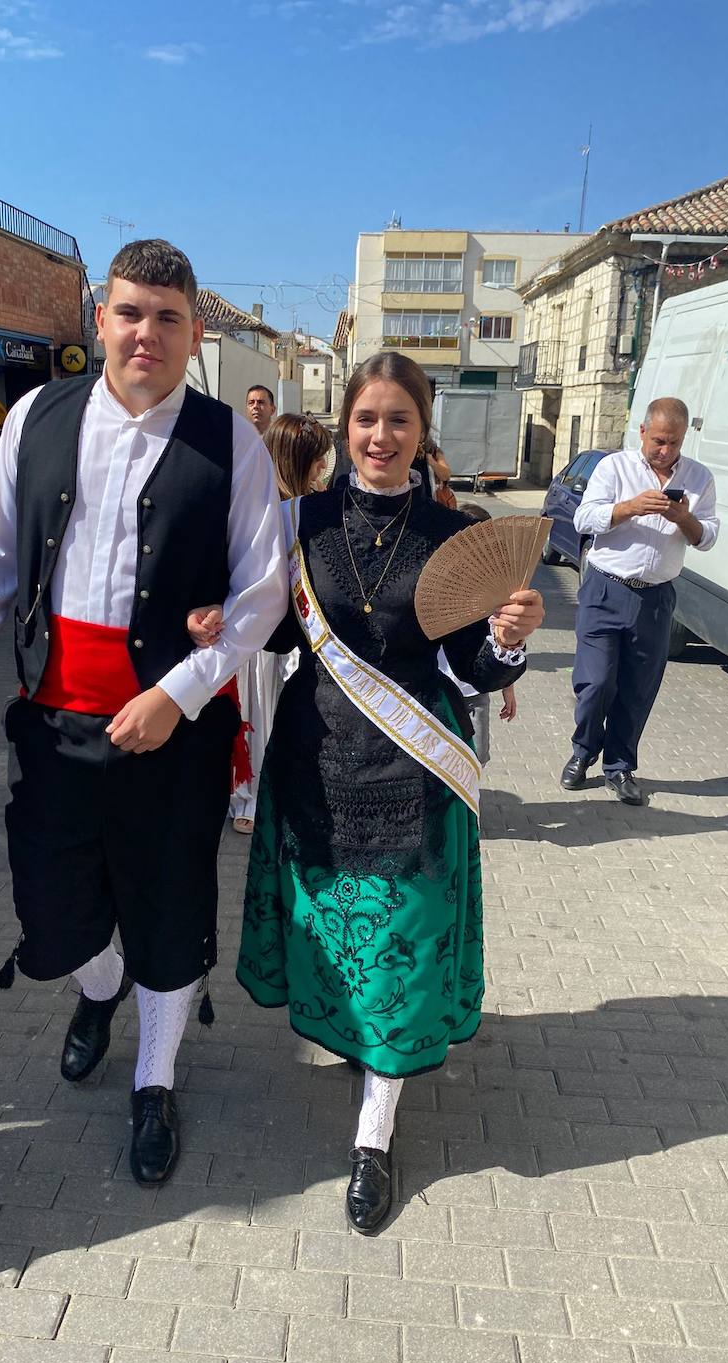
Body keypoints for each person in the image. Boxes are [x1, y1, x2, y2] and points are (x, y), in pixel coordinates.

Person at [0, 239, 287, 1188]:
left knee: (167, 910)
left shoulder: (229, 438)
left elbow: (261, 593)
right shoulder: (39, 414)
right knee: (56, 913)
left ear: (194, 331)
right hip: (52, 724)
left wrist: (181, 692)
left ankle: (154, 1079)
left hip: (173, 732)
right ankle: (97, 984)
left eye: (167, 318)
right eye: (130, 313)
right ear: (100, 320)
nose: (145, 334)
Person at [236, 351, 543, 1233]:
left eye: (398, 420)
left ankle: (374, 1135)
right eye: (365, 419)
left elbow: (472, 667)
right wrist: (217, 614)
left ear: (422, 428)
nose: (380, 436)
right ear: (345, 426)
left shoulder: (456, 535)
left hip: (414, 769)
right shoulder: (296, 521)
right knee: (335, 935)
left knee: (399, 947)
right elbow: (271, 642)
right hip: (315, 757)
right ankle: (354, 1050)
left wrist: (510, 640)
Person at [560, 397, 718, 804]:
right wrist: (628, 508)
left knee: (638, 688)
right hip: (606, 588)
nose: (666, 451)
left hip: (656, 598)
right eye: (660, 441)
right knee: (596, 682)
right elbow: (583, 519)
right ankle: (583, 751)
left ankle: (619, 766)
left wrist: (684, 517)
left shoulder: (699, 478)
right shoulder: (614, 467)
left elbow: (708, 537)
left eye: (676, 443)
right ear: (643, 432)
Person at [191, 413, 330, 835]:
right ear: (300, 459)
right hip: (260, 635)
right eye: (318, 460)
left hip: (292, 636)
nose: (324, 468)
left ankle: (264, 791)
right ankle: (248, 795)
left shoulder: (308, 506)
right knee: (257, 715)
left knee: (273, 716)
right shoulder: (266, 508)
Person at [440, 503, 518, 764]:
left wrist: (507, 684)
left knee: (479, 755)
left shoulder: (494, 589)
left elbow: (501, 637)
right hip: (440, 689)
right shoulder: (438, 585)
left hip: (475, 690)